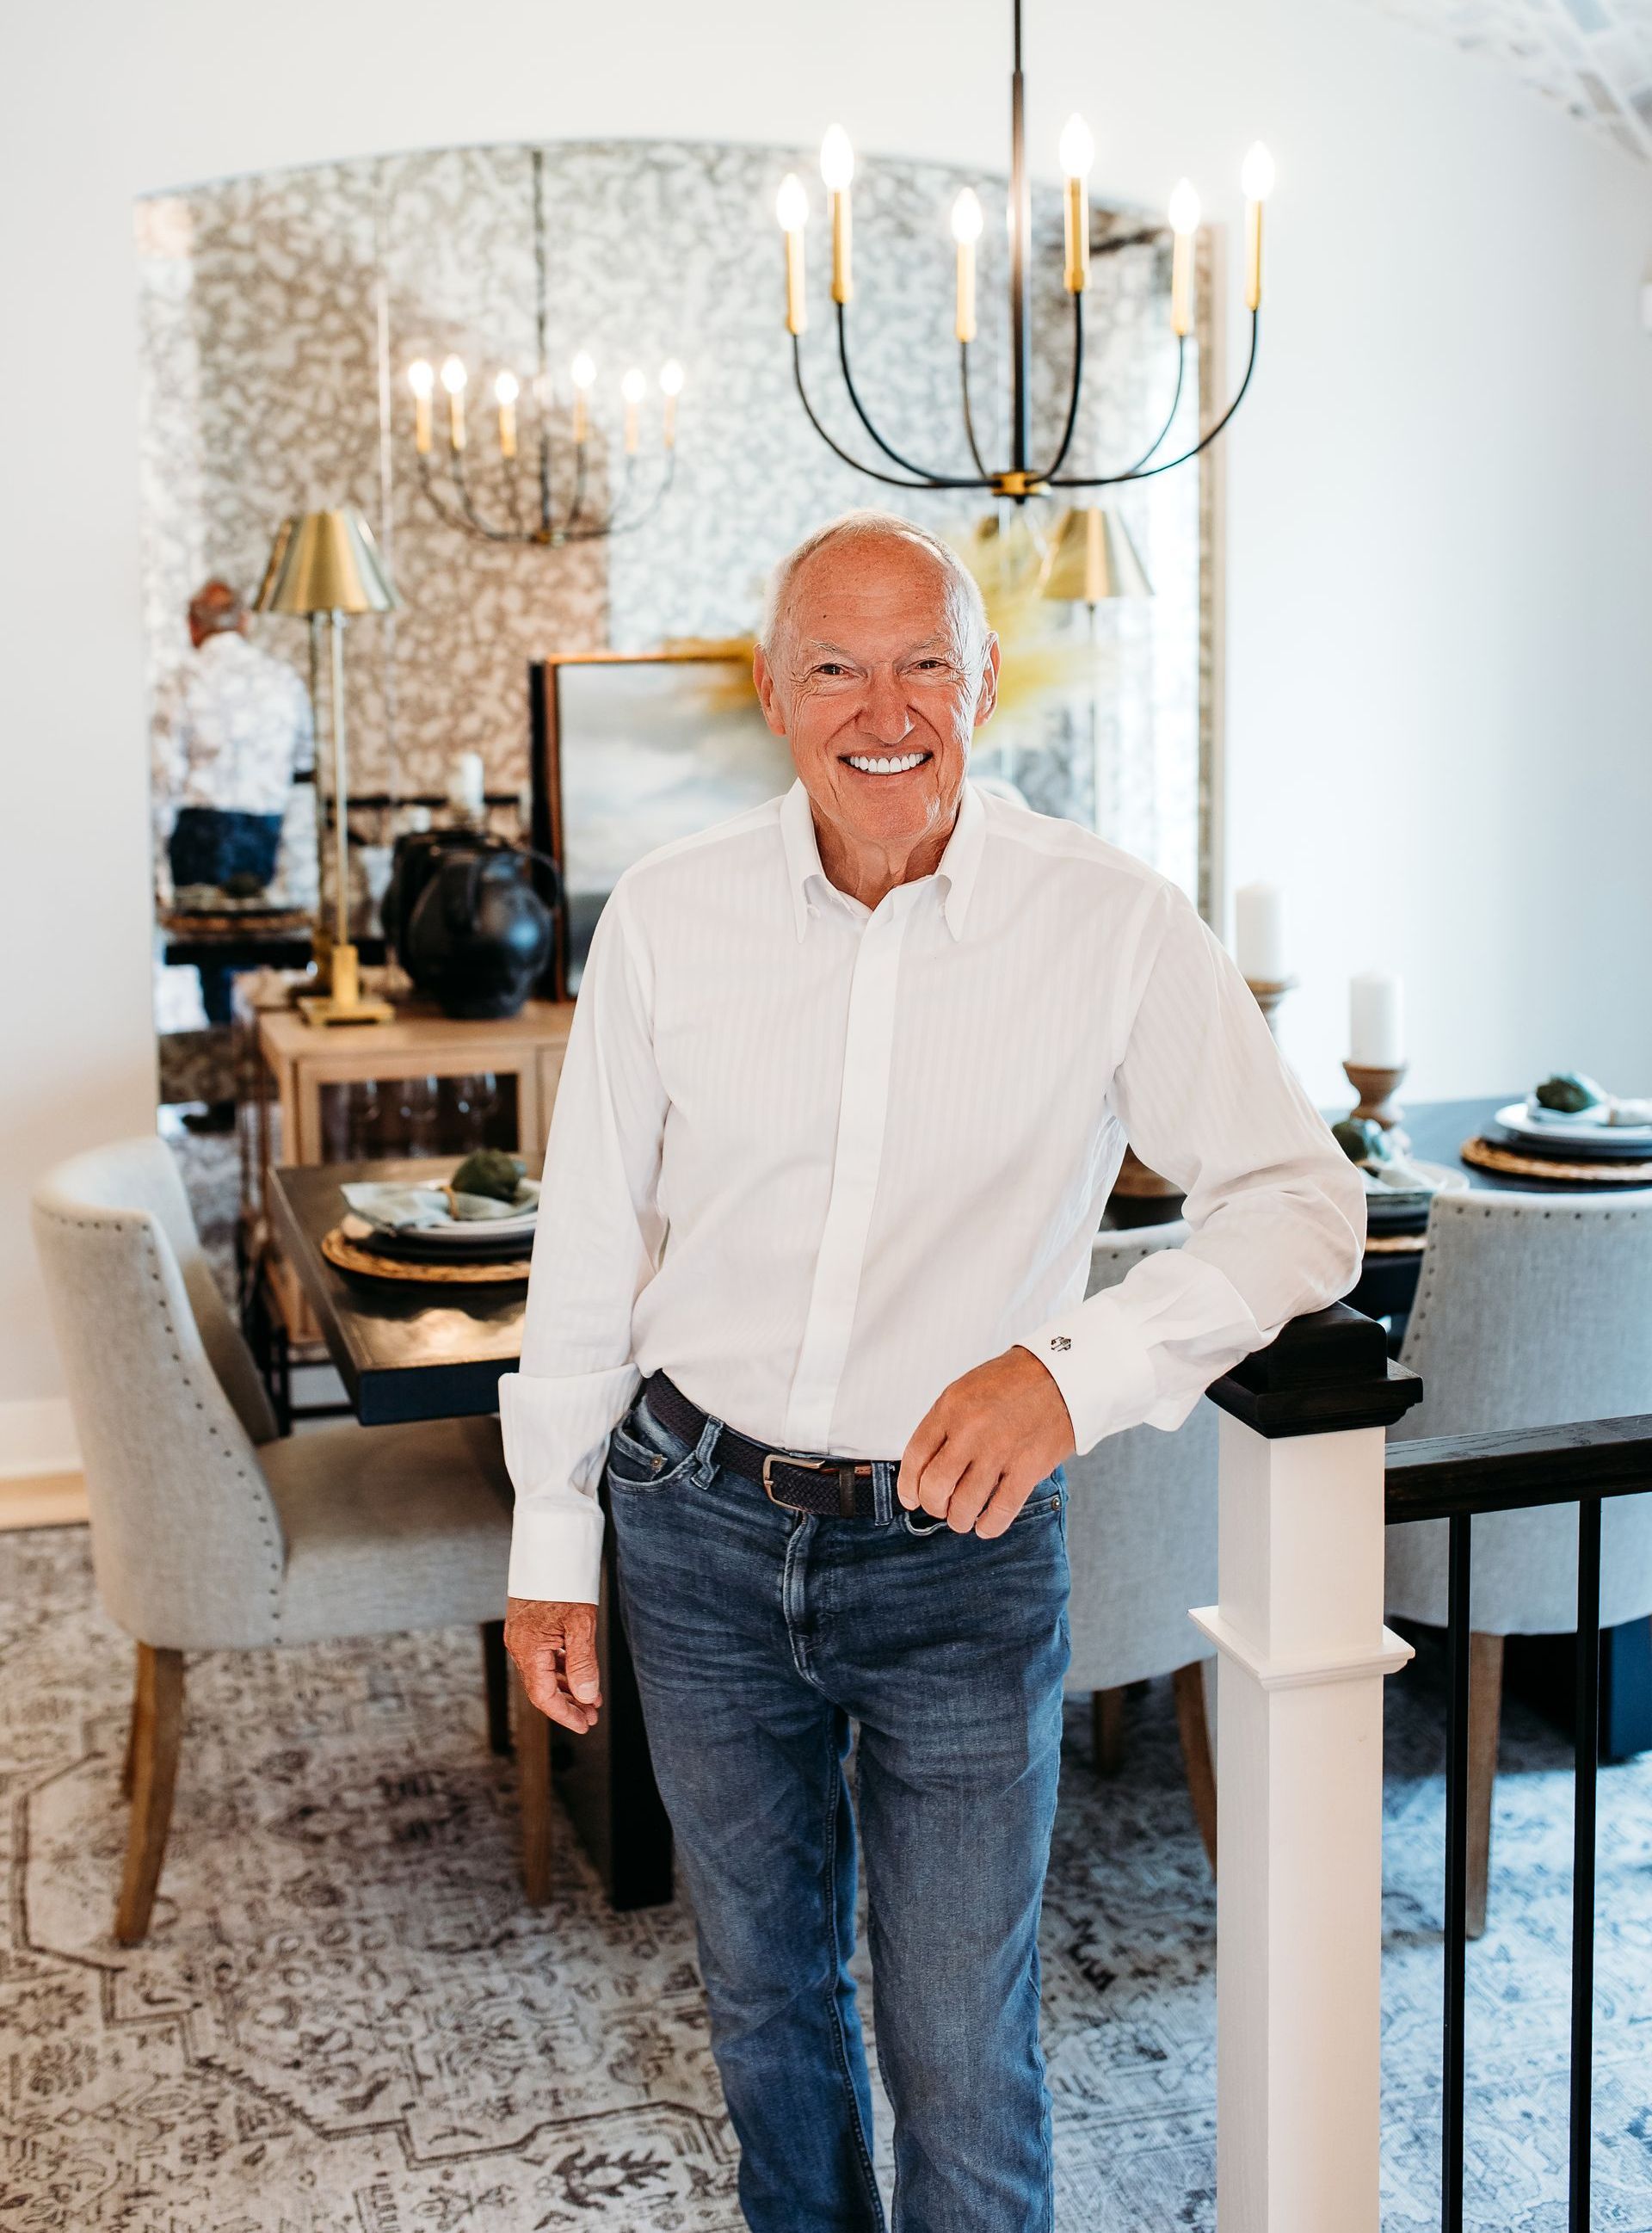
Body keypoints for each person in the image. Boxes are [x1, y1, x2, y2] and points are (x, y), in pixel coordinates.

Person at [502, 511, 1364, 2232]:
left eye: (923, 661)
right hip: (692, 1522)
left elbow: (1302, 1204)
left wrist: (1081, 1370)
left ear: (979, 682)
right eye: (836, 661)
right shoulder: (670, 917)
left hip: (956, 1553)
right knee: (766, 2010)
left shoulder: (1110, 924)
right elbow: (591, 1240)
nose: (881, 705)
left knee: (965, 2050)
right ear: (772, 689)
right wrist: (550, 1541)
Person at [156, 577, 314, 1023]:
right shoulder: (282, 679)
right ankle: (263, 1048)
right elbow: (304, 764)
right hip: (265, 828)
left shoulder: (181, 682)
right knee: (263, 944)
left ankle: (226, 1066)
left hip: (200, 828)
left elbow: (164, 776)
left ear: (192, 626)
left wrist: (156, 863)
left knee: (211, 957)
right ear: (245, 622)